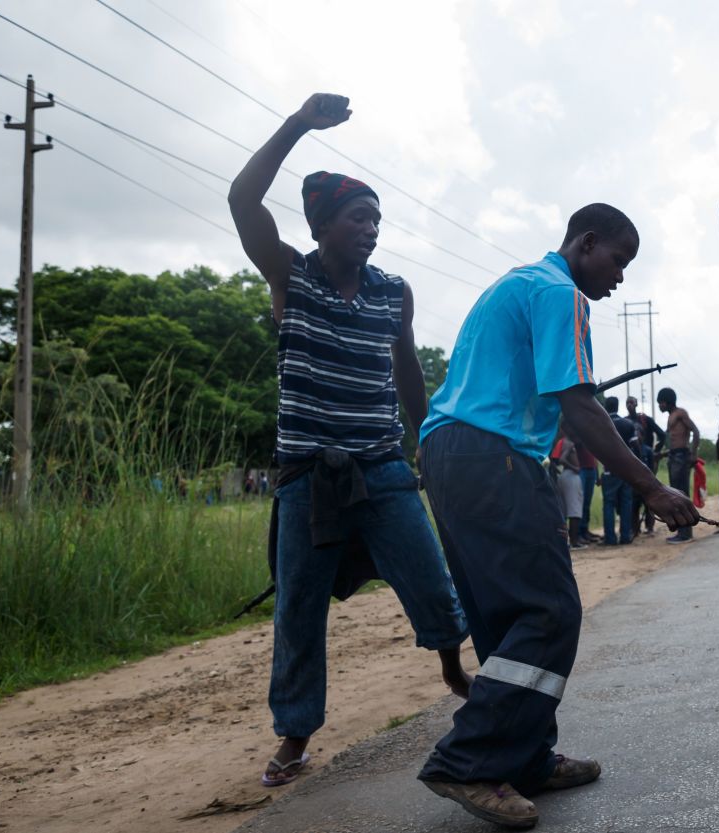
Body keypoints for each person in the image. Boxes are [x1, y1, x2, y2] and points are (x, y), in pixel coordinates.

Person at [417, 203, 698, 825]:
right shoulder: (560, 295)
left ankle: (525, 758)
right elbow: (575, 402)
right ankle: (468, 761)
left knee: (505, 616)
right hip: (497, 458)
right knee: (550, 611)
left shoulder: (514, 283)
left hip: (448, 455)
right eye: (618, 261)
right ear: (587, 243)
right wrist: (652, 488)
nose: (620, 277)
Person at [228, 92, 471, 789]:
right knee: (298, 606)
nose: (370, 229)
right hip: (308, 474)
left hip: (383, 465)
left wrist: (425, 439)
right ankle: (296, 733)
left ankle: (453, 667)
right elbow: (242, 198)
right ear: (322, 225)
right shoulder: (290, 276)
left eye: (376, 220)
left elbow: (405, 368)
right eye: (358, 217)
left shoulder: (394, 291)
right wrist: (297, 125)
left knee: (429, 577)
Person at [657, 387, 700, 544]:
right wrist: (663, 454)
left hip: (682, 456)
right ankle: (683, 531)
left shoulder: (680, 413)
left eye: (660, 403)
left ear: (666, 401)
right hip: (674, 456)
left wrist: (693, 454)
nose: (659, 406)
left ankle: (686, 533)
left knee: (681, 493)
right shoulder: (671, 417)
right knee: (676, 493)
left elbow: (695, 431)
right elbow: (672, 439)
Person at [626, 395, 667, 537]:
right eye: (628, 403)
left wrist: (655, 452)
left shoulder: (645, 420)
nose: (630, 405)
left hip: (647, 458)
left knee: (649, 494)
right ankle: (634, 528)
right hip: (630, 461)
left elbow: (662, 435)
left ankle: (649, 526)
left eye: (632, 402)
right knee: (633, 499)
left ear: (636, 404)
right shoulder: (625, 421)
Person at [600, 397, 636, 546]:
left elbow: (597, 449)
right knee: (626, 503)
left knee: (609, 504)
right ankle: (625, 536)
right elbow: (635, 448)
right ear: (618, 405)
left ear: (605, 407)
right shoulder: (628, 424)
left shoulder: (600, 425)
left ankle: (610, 538)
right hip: (626, 470)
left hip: (609, 470)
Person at [551, 427, 587, 549]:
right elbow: (562, 459)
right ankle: (574, 542)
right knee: (574, 511)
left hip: (563, 476)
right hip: (571, 476)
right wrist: (574, 468)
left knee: (565, 510)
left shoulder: (560, 442)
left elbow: (554, 461)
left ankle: (566, 542)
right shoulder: (569, 443)